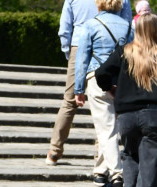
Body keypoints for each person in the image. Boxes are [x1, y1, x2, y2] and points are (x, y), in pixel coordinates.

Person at [96, 12, 157, 187]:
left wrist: (111, 89)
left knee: (129, 153)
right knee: (150, 161)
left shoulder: (124, 52)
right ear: (155, 31)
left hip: (126, 114)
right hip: (153, 113)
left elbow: (101, 72)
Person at [50, 0, 132, 166]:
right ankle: (101, 155)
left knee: (69, 101)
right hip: (111, 49)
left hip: (78, 44)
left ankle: (54, 150)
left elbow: (64, 28)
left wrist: (69, 52)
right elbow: (128, 25)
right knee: (109, 106)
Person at [74, 0, 133, 187]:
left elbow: (82, 59)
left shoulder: (91, 25)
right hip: (121, 82)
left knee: (106, 129)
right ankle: (100, 172)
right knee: (107, 128)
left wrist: (78, 88)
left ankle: (117, 175)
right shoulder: (128, 27)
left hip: (97, 78)